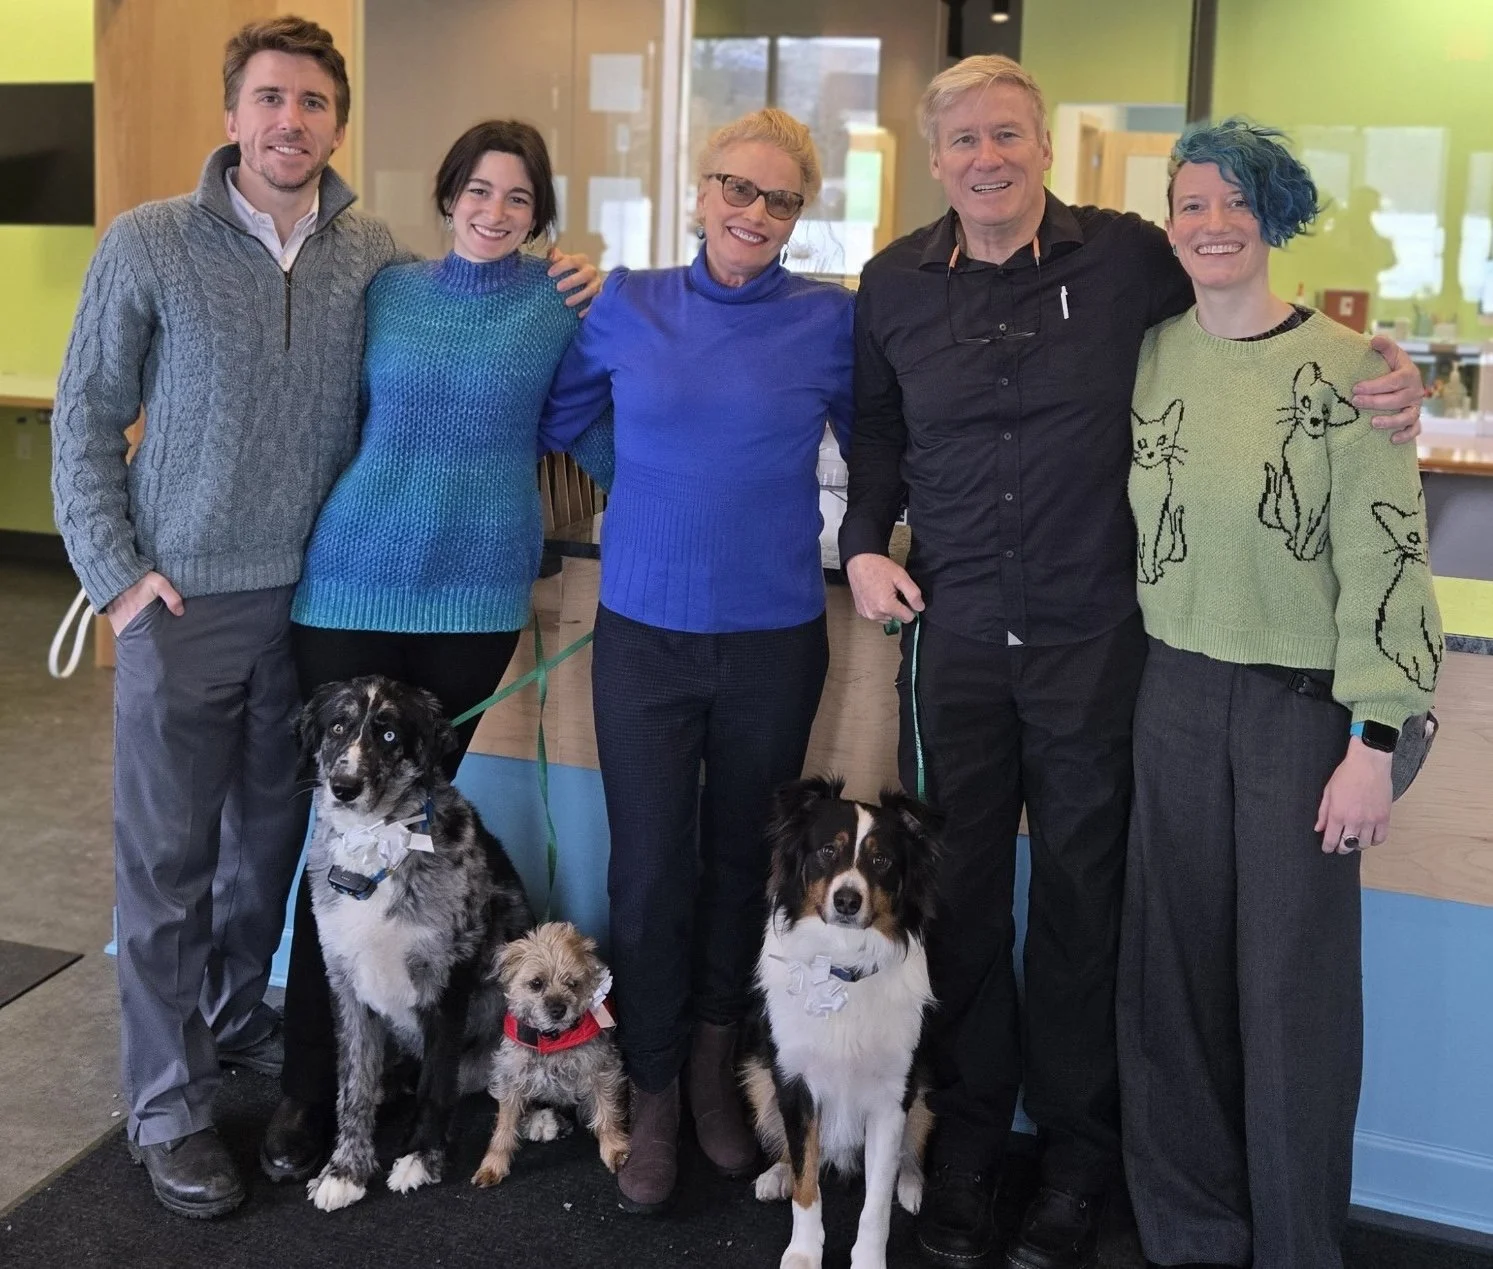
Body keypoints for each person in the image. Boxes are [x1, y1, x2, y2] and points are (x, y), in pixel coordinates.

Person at [837, 56, 1426, 1269]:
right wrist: (858, 546)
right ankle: (964, 1150)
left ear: (1043, 147)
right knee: (955, 903)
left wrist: (1387, 366)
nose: (986, 159)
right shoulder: (890, 281)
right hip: (953, 641)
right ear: (933, 157)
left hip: (1096, 647)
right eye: (963, 142)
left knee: (1079, 908)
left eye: (1008, 135)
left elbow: (1251, 296)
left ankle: (1071, 1159)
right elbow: (878, 427)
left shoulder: (1124, 258)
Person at [49, 16, 595, 1218]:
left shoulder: (371, 257)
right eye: (269, 100)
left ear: (337, 123)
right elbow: (81, 414)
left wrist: (583, 289)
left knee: (266, 857)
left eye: (311, 104)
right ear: (234, 112)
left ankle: (241, 1032)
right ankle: (167, 1107)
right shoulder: (152, 242)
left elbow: (494, 371)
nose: (289, 122)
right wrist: (115, 572)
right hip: (183, 600)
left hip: (304, 598)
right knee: (168, 867)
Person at [259, 119, 613, 1184]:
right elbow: (323, 412)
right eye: (478, 190)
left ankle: (412, 1085)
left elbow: (594, 427)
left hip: (470, 605)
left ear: (538, 211)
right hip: (351, 581)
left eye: (517, 197)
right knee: (335, 849)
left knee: (413, 854)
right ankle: (305, 1092)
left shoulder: (560, 304)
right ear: (448, 193)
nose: (494, 211)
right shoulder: (389, 291)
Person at [1116, 119, 1441, 1269]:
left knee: (1290, 1002)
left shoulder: (1353, 370)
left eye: (1234, 203)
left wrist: (1372, 739)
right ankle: (1190, 1235)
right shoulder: (1146, 351)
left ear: (1274, 217)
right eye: (1190, 203)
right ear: (1167, 222)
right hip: (1169, 694)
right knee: (1172, 992)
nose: (1211, 223)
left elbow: (1387, 565)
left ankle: (1297, 1246)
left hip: (1300, 715)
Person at [541, 107, 854, 1213]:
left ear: (797, 215)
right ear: (699, 188)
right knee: (648, 870)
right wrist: (650, 483)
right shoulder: (624, 302)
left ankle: (720, 1077)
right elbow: (568, 415)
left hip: (772, 639)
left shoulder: (829, 323)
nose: (752, 212)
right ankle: (658, 1088)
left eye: (778, 199)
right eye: (736, 186)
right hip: (642, 636)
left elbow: (884, 447)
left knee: (741, 866)